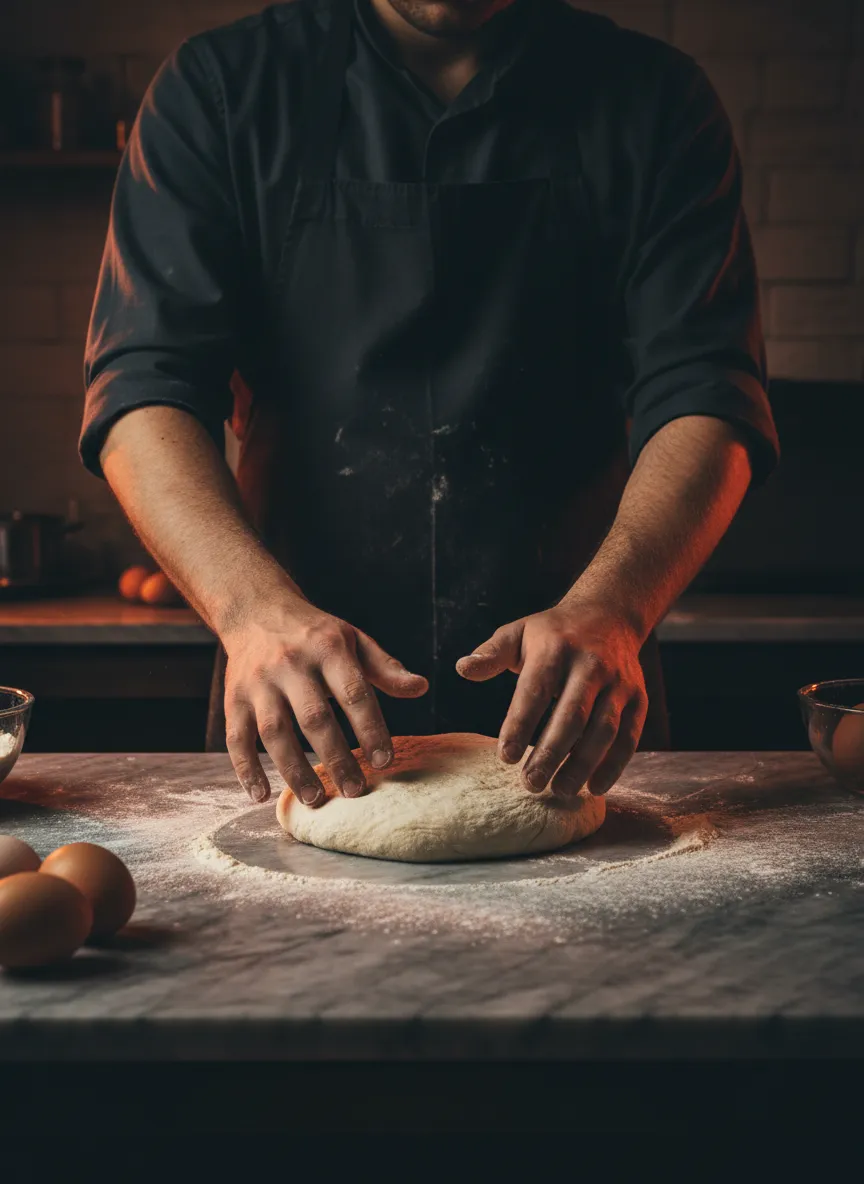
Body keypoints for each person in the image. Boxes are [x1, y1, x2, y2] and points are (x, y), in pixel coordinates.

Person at [80, 0, 778, 808]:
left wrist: (616, 608)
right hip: (298, 705)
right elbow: (142, 389)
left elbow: (708, 392)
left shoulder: (656, 100)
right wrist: (249, 611)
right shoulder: (221, 90)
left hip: (576, 702)